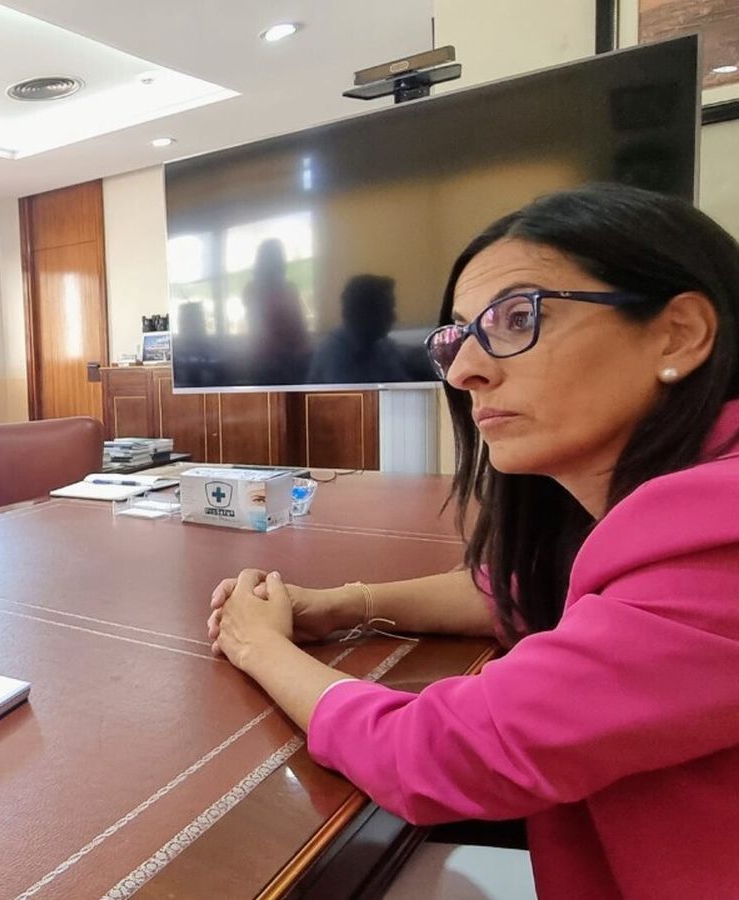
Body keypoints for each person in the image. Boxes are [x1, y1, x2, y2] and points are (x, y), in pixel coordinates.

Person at [207, 183, 739, 899]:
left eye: (518, 318)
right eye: (457, 337)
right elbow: (523, 586)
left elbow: (434, 754)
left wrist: (256, 645)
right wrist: (334, 605)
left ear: (678, 335)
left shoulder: (721, 531)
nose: (462, 372)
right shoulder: (665, 502)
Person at [304, 274, 413, 384]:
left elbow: (403, 382)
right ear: (364, 313)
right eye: (387, 310)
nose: (394, 317)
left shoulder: (381, 346)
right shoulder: (335, 357)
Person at [241, 238, 312, 384]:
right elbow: (259, 331)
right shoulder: (253, 290)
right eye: (275, 258)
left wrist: (305, 354)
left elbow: (299, 325)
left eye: (279, 258)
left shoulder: (290, 288)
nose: (279, 262)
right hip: (267, 364)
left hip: (293, 361)